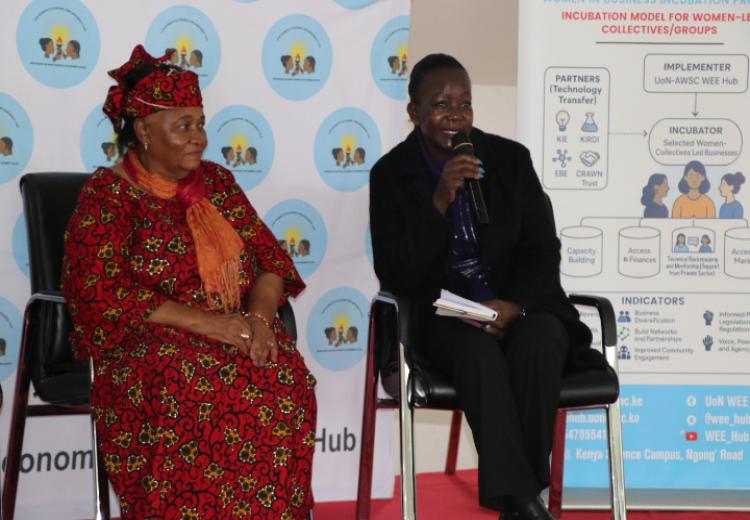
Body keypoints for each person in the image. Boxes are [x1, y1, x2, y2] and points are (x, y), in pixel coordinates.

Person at [61, 45, 316, 519]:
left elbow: (270, 263)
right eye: (184, 126)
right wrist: (207, 324)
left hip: (234, 328)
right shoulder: (109, 195)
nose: (198, 137)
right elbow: (99, 291)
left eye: (200, 123)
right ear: (144, 131)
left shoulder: (217, 183)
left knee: (283, 374)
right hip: (149, 346)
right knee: (196, 382)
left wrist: (261, 321)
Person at [369, 53, 605, 520]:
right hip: (442, 316)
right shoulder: (390, 175)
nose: (455, 116)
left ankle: (517, 500)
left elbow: (543, 251)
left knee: (543, 337)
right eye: (441, 104)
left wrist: (515, 305)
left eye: (465, 104)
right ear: (414, 111)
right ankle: (523, 501)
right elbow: (397, 274)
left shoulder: (510, 160)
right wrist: (439, 202)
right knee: (478, 353)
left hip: (514, 306)